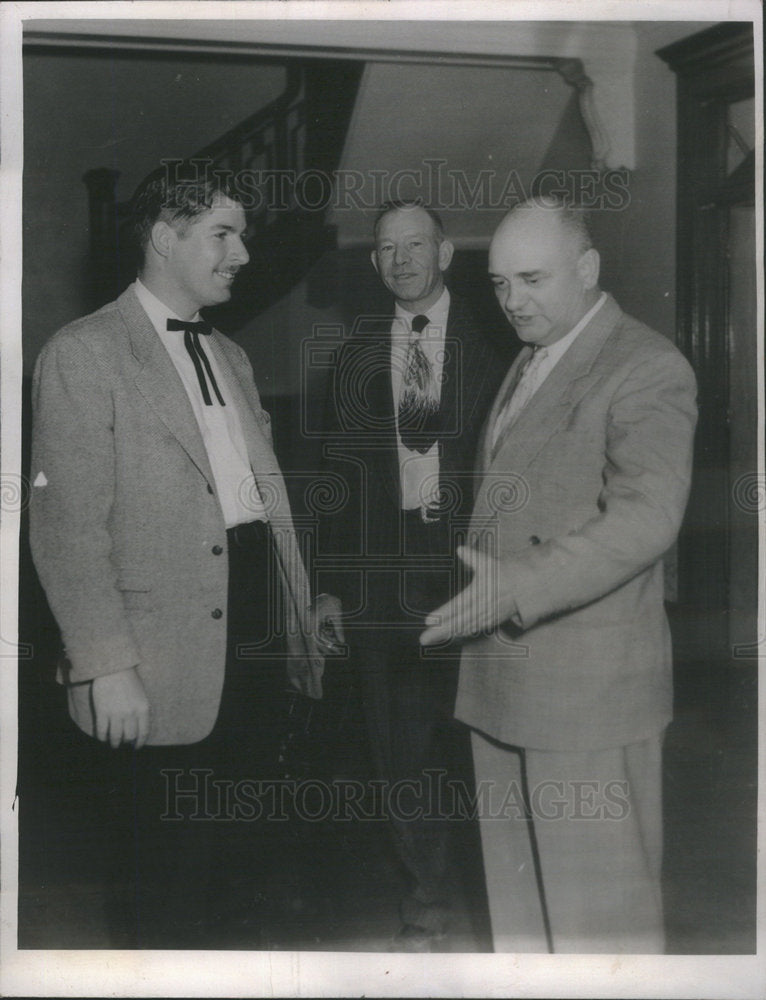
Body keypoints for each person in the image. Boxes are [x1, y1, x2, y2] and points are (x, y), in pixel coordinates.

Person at [29, 163, 339, 948]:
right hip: (154, 653)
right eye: (222, 235)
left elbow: (256, 501)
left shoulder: (230, 355)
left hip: (254, 627)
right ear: (165, 238)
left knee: (242, 867)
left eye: (243, 236)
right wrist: (104, 664)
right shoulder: (84, 352)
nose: (241, 254)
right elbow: (66, 527)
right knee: (163, 879)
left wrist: (301, 608)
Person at [420, 197, 698, 953]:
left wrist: (519, 586)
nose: (513, 302)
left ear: (588, 269)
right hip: (503, 677)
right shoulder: (531, 355)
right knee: (522, 923)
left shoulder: (647, 365)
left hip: (588, 693)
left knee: (601, 934)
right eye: (501, 283)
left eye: (533, 279)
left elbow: (648, 518)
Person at [320, 200, 505, 950]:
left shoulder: (501, 340)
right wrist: (329, 584)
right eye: (387, 249)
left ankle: (507, 914)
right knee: (400, 752)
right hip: (383, 573)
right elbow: (335, 476)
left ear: (447, 252)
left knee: (484, 743)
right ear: (375, 265)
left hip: (474, 568)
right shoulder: (354, 352)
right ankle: (427, 905)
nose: (401, 259)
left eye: (416, 244)